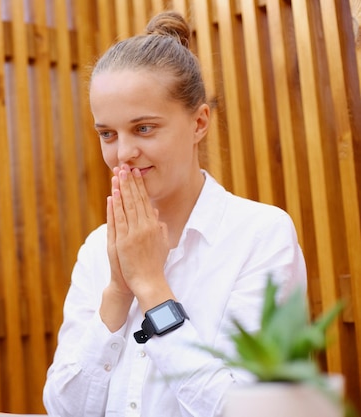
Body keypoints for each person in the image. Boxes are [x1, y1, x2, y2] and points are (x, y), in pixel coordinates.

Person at [42, 10, 307, 417]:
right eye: (107, 134)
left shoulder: (261, 235)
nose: (123, 154)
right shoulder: (98, 248)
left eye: (144, 128)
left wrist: (151, 287)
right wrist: (117, 290)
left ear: (199, 122)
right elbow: (63, 409)